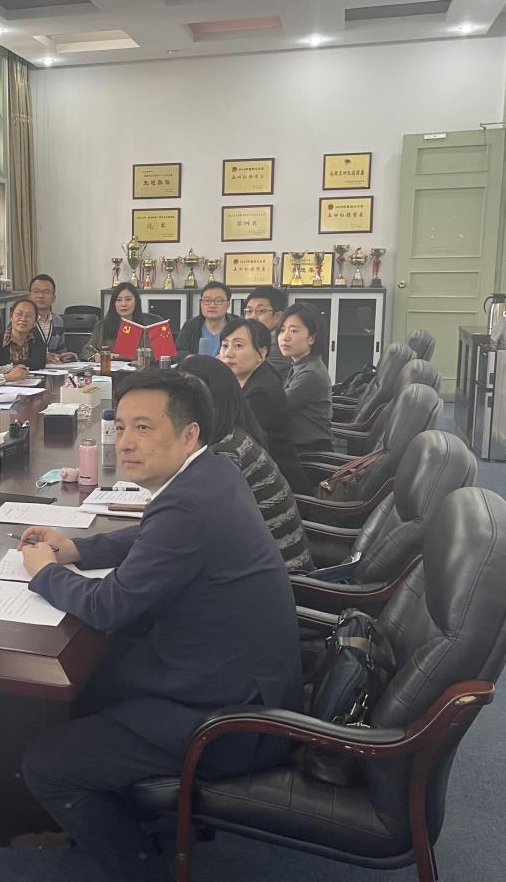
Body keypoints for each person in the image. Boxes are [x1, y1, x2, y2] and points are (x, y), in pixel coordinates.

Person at [17, 371, 303, 882]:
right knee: (93, 681)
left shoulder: (188, 502)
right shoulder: (213, 471)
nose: (125, 442)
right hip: (249, 682)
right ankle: (128, 812)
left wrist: (46, 573)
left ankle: (145, 870)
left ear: (189, 434)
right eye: (120, 426)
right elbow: (153, 537)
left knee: (47, 764)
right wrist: (78, 548)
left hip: (231, 721)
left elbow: (111, 607)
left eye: (144, 428)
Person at [179, 356, 314, 573]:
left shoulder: (225, 452)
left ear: (215, 398)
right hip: (264, 566)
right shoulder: (232, 435)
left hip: (280, 577)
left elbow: (201, 527)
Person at [217, 318, 311, 493]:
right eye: (224, 345)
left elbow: (234, 443)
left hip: (274, 487)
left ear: (261, 353)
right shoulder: (259, 374)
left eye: (238, 345)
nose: (228, 353)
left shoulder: (261, 393)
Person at [279, 303, 334, 455]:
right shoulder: (302, 364)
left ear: (312, 338)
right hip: (298, 447)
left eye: (294, 331)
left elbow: (275, 408)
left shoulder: (310, 374)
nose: (285, 337)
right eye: (282, 330)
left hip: (309, 454)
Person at [81, 283, 158, 361]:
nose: (123, 304)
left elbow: (153, 355)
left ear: (136, 302)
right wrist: (94, 356)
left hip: (137, 368)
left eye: (128, 299)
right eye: (118, 300)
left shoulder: (147, 328)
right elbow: (85, 351)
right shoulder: (102, 326)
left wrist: (117, 356)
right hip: (108, 368)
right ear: (113, 303)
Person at [175, 281, 237, 358]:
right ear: (201, 304)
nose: (212, 305)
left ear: (228, 305)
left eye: (218, 301)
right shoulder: (191, 326)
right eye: (207, 300)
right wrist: (195, 359)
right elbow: (178, 352)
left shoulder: (238, 327)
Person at [243, 285, 292, 380]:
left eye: (260, 311)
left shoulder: (280, 342)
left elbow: (251, 373)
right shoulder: (252, 337)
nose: (252, 317)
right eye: (249, 311)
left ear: (278, 316)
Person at [28, 273, 76, 362]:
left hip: (53, 368)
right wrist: (41, 357)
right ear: (29, 296)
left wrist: (64, 356)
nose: (41, 296)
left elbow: (61, 350)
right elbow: (16, 353)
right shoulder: (23, 320)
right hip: (29, 368)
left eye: (46, 292)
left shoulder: (58, 321)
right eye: (36, 291)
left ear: (54, 298)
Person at [0, 297, 49, 371]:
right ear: (11, 316)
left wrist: (10, 366)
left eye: (28, 315)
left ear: (35, 321)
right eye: (19, 314)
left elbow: (39, 363)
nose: (23, 319)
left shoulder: (38, 340)